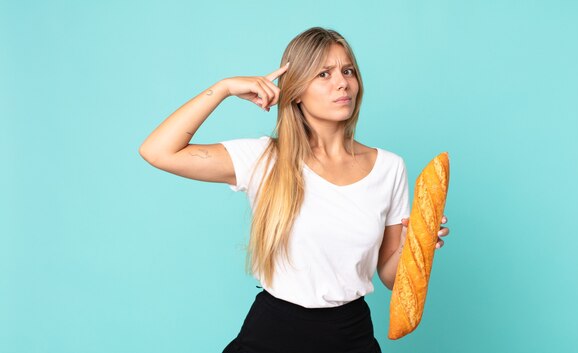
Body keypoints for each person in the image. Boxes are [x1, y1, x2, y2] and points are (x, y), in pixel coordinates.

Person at [139, 27, 450, 353]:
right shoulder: (264, 158)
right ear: (297, 91)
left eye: (348, 71)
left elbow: (390, 276)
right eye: (323, 74)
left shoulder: (389, 167)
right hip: (274, 334)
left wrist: (415, 242)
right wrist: (224, 88)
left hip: (352, 335)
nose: (342, 83)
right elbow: (158, 151)